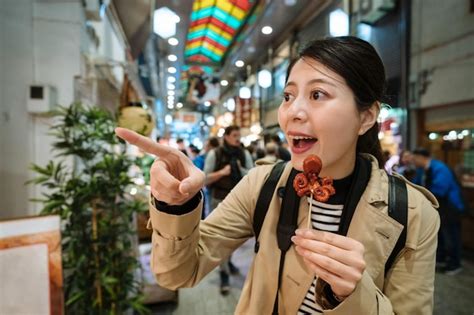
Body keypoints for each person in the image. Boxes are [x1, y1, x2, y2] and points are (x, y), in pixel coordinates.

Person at [115, 36, 439, 314]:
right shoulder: (263, 185)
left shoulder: (412, 213)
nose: (292, 112)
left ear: (367, 116)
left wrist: (354, 296)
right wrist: (176, 206)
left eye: (317, 95)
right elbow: (178, 274)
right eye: (288, 96)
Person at [203, 125, 254, 294]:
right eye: (234, 135)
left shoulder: (243, 153)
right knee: (220, 239)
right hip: (219, 200)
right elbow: (205, 179)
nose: (238, 138)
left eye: (239, 135)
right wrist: (222, 173)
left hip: (239, 201)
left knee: (234, 238)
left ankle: (228, 262)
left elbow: (253, 174)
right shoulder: (215, 153)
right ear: (226, 137)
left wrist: (240, 169)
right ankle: (224, 274)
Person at [412, 147, 465, 275]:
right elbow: (415, 185)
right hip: (439, 208)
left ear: (421, 158)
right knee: (439, 234)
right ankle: (441, 258)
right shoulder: (421, 170)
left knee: (452, 236)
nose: (413, 161)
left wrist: (422, 194)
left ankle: (455, 264)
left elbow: (440, 190)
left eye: (415, 158)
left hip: (451, 206)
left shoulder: (440, 168)